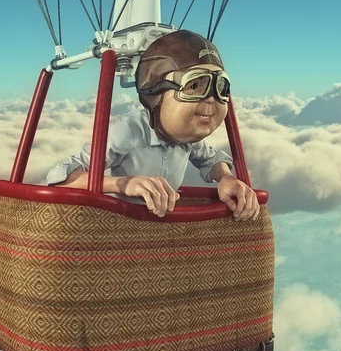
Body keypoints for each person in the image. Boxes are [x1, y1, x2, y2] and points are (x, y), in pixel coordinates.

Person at [46, 30, 259, 221]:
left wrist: (226, 177)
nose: (211, 99)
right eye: (195, 85)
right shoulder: (130, 131)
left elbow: (211, 159)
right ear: (155, 93)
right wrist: (124, 184)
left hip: (157, 232)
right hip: (119, 223)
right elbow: (59, 177)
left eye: (220, 88)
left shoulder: (185, 138)